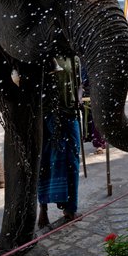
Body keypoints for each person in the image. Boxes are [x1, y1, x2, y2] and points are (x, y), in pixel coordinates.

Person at [37, 57, 83, 229]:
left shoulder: (74, 58)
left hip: (70, 114)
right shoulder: (44, 56)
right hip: (47, 116)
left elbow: (79, 85)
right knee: (46, 162)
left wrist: (78, 98)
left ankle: (70, 208)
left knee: (72, 162)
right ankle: (43, 209)